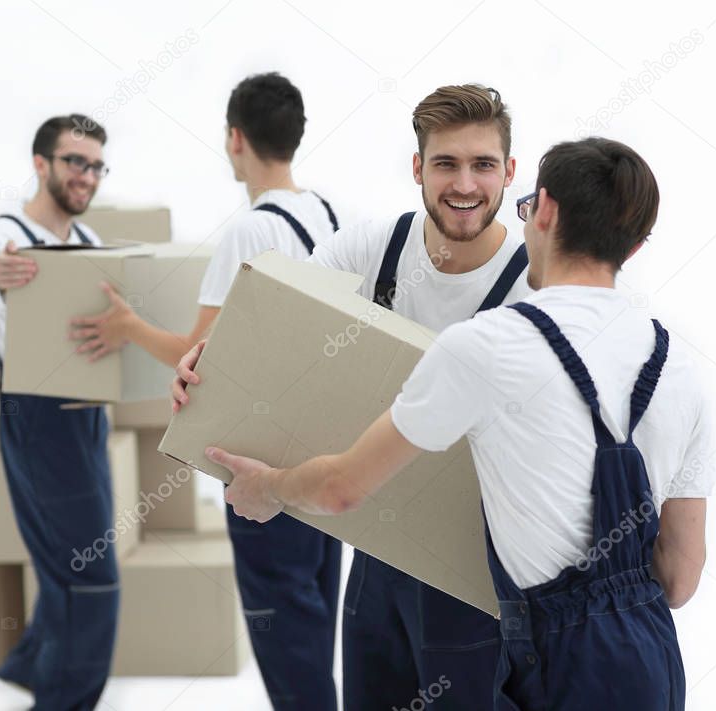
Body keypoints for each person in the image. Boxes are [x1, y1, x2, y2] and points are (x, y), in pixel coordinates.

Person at [205, 136, 714, 711]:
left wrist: (267, 486)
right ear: (638, 243)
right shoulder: (683, 369)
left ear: (543, 210)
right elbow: (678, 579)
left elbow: (342, 489)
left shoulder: (486, 346)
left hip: (548, 663)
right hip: (651, 665)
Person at [174, 84, 534, 710]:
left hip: (477, 577)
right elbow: (280, 323)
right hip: (375, 555)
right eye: (446, 163)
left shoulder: (535, 280)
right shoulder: (374, 248)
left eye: (482, 164)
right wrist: (209, 364)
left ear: (509, 170)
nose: (465, 184)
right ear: (418, 168)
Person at [68, 73, 342, 711]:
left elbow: (202, 356)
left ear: (235, 138)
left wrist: (128, 327)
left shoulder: (249, 231)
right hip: (324, 444)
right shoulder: (328, 213)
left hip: (258, 453)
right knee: (314, 615)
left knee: (284, 627)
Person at [0, 114, 118, 710]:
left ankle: (31, 663)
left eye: (96, 166)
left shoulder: (87, 243)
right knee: (93, 574)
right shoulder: (7, 232)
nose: (86, 176)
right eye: (75, 162)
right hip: (35, 415)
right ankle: (63, 700)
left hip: (87, 414)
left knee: (67, 556)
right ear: (41, 164)